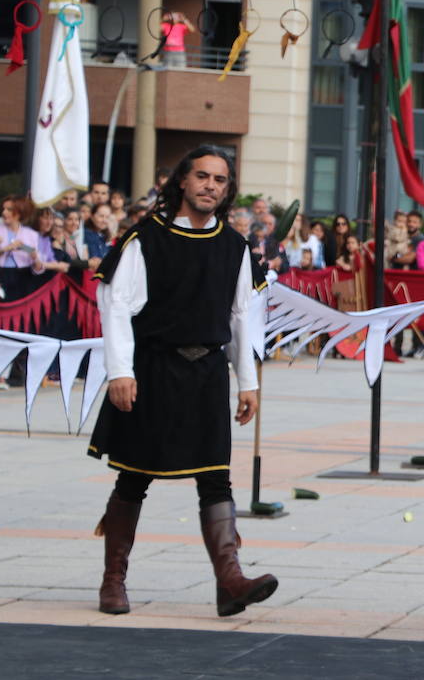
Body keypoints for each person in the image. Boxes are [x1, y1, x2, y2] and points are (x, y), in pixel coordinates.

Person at [86, 145, 275, 619]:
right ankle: (114, 581)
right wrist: (121, 371)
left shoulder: (234, 247)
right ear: (183, 183)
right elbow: (116, 307)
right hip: (152, 371)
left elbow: (239, 318)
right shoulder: (145, 237)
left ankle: (230, 581)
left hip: (208, 374)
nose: (211, 185)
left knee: (216, 478)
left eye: (220, 180)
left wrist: (247, 381)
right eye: (202, 177)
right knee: (135, 476)